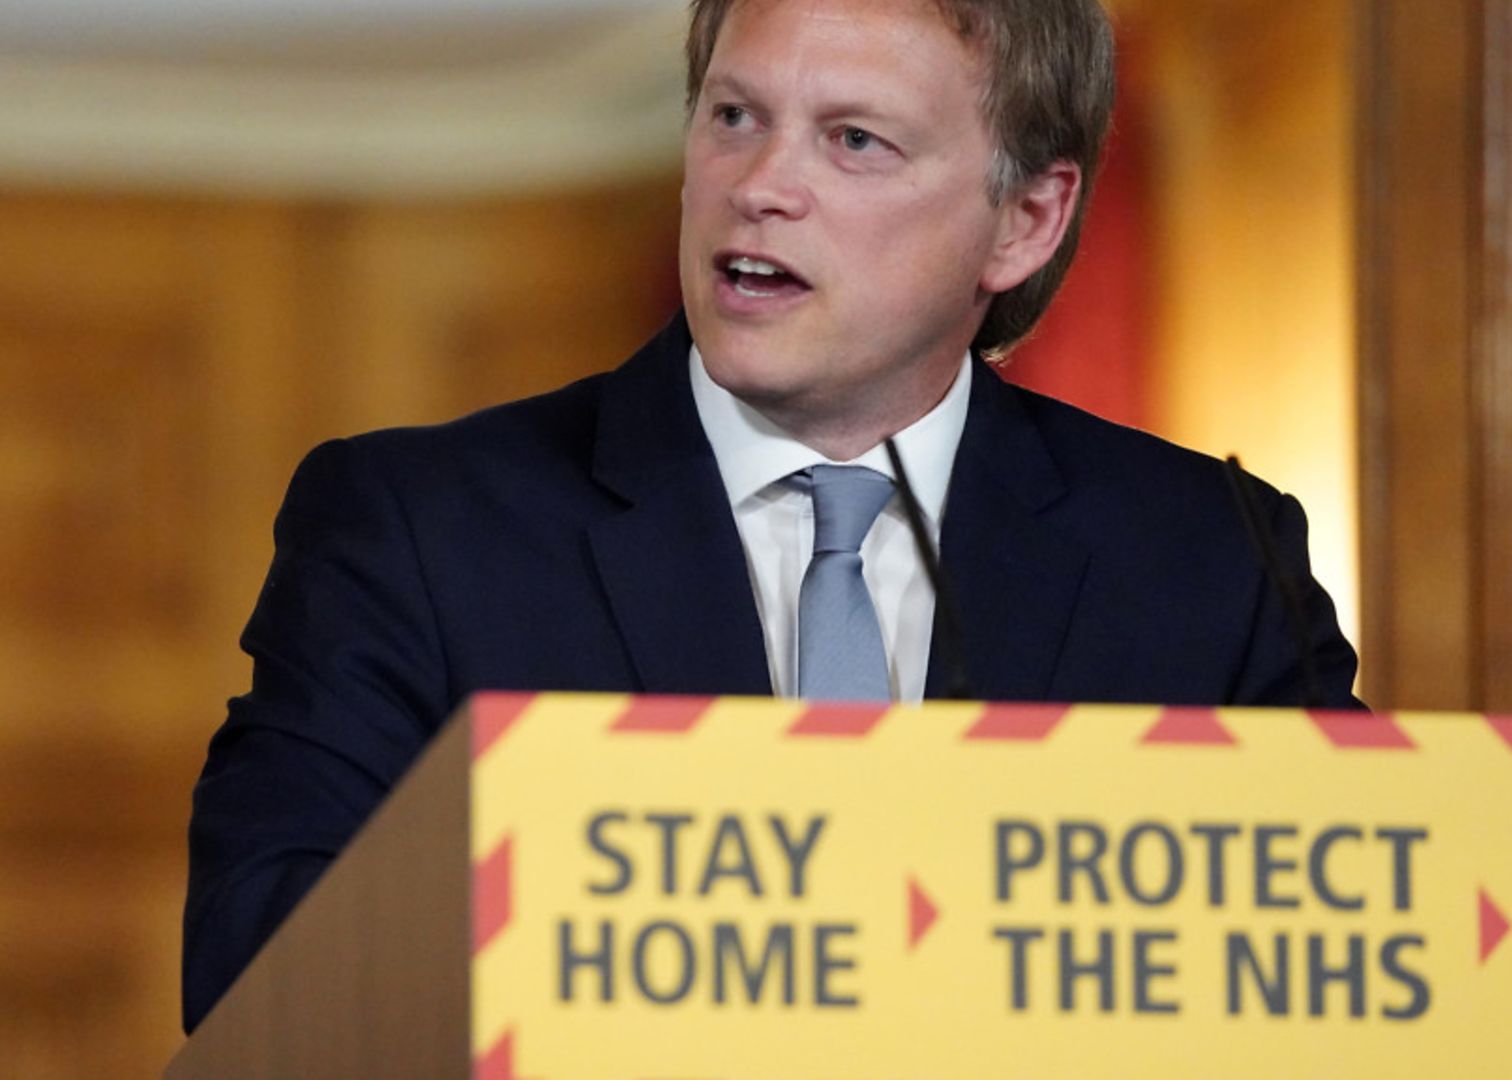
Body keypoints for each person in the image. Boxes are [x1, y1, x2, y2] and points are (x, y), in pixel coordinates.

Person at [181, 0, 1362, 1034]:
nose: (760, 186)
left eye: (853, 139)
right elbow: (260, 967)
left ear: (1026, 221)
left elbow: (1353, 962)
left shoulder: (1209, 557)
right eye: (734, 116)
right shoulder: (420, 532)